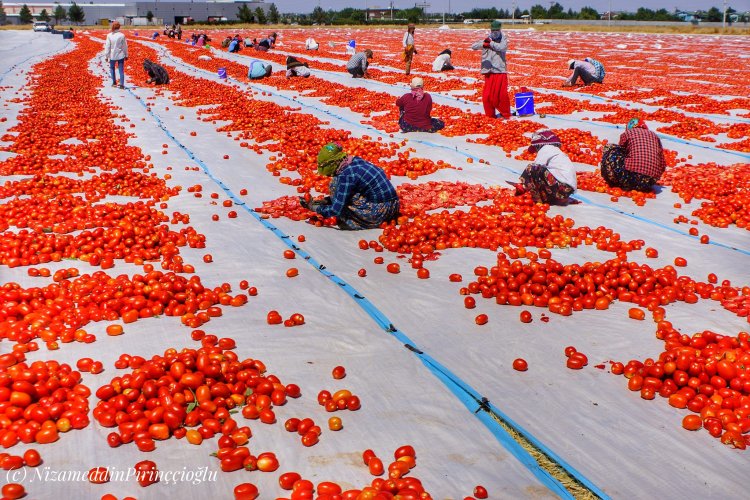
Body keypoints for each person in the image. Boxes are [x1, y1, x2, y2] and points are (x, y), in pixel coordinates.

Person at [299, 143, 400, 230]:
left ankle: (357, 223)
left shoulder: (346, 175)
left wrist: (313, 207)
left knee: (335, 185)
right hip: (394, 206)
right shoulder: (354, 160)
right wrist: (325, 201)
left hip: (379, 212)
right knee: (342, 188)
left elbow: (335, 210)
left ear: (333, 163)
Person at [600, 118, 666, 192]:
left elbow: (621, 150)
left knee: (611, 148)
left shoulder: (627, 133)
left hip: (630, 178)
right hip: (650, 182)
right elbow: (663, 163)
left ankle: (612, 180)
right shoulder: (655, 136)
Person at [514, 129, 577, 205]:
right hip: (566, 191)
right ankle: (550, 199)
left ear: (539, 145)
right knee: (540, 174)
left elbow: (536, 166)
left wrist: (521, 185)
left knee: (532, 168)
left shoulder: (546, 148)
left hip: (561, 188)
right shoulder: (556, 151)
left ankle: (537, 200)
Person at [471, 20, 510, 119]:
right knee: (487, 96)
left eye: (497, 30)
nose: (495, 32)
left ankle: (505, 113)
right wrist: (484, 44)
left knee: (501, 95)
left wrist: (491, 44)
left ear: (500, 29)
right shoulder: (487, 38)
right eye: (493, 30)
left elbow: (502, 47)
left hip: (500, 71)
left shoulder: (503, 39)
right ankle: (490, 115)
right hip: (489, 71)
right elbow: (473, 46)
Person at [104, 22, 128, 89]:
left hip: (112, 55)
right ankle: (122, 85)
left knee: (112, 68)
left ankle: (114, 83)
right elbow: (125, 46)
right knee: (121, 70)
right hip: (120, 55)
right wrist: (126, 55)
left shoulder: (109, 35)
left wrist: (106, 56)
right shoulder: (122, 35)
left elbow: (107, 46)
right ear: (119, 27)